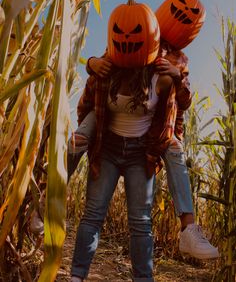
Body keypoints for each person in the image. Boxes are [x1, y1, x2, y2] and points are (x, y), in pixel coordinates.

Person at [68, 36, 219, 261]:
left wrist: (177, 76)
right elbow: (97, 73)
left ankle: (188, 229)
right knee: (77, 142)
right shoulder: (125, 45)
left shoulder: (173, 63)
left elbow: (184, 102)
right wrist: (90, 63)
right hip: (106, 132)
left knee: (174, 153)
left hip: (149, 136)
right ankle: (45, 197)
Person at [70, 0, 177, 281]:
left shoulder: (160, 76)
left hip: (139, 155)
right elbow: (88, 105)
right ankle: (76, 276)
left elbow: (180, 105)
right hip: (107, 149)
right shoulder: (106, 70)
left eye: (136, 34)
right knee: (92, 215)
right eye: (121, 33)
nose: (128, 38)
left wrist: (179, 76)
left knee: (140, 223)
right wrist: (91, 64)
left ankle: (144, 278)